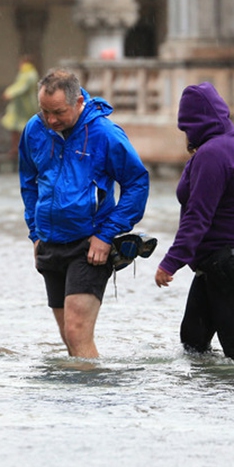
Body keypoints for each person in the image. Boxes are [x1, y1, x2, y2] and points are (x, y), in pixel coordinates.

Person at [20, 68, 150, 359]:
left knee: (78, 332)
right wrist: (34, 234)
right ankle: (74, 400)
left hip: (89, 246)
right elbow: (28, 183)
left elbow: (137, 184)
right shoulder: (34, 129)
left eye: (58, 112)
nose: (51, 120)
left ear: (79, 102)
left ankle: (96, 399)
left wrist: (106, 235)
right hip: (49, 243)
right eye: (44, 112)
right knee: (69, 337)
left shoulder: (105, 134)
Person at [154, 82, 234, 361]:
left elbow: (198, 215)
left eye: (187, 127)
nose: (186, 135)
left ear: (196, 124)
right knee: (193, 341)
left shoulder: (212, 154)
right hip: (223, 262)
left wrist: (170, 262)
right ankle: (209, 402)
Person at [1, 54, 39, 159]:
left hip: (25, 106)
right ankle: (16, 149)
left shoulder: (29, 74)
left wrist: (10, 93)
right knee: (17, 128)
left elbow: (22, 86)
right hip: (19, 106)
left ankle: (23, 149)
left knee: (23, 128)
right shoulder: (27, 73)